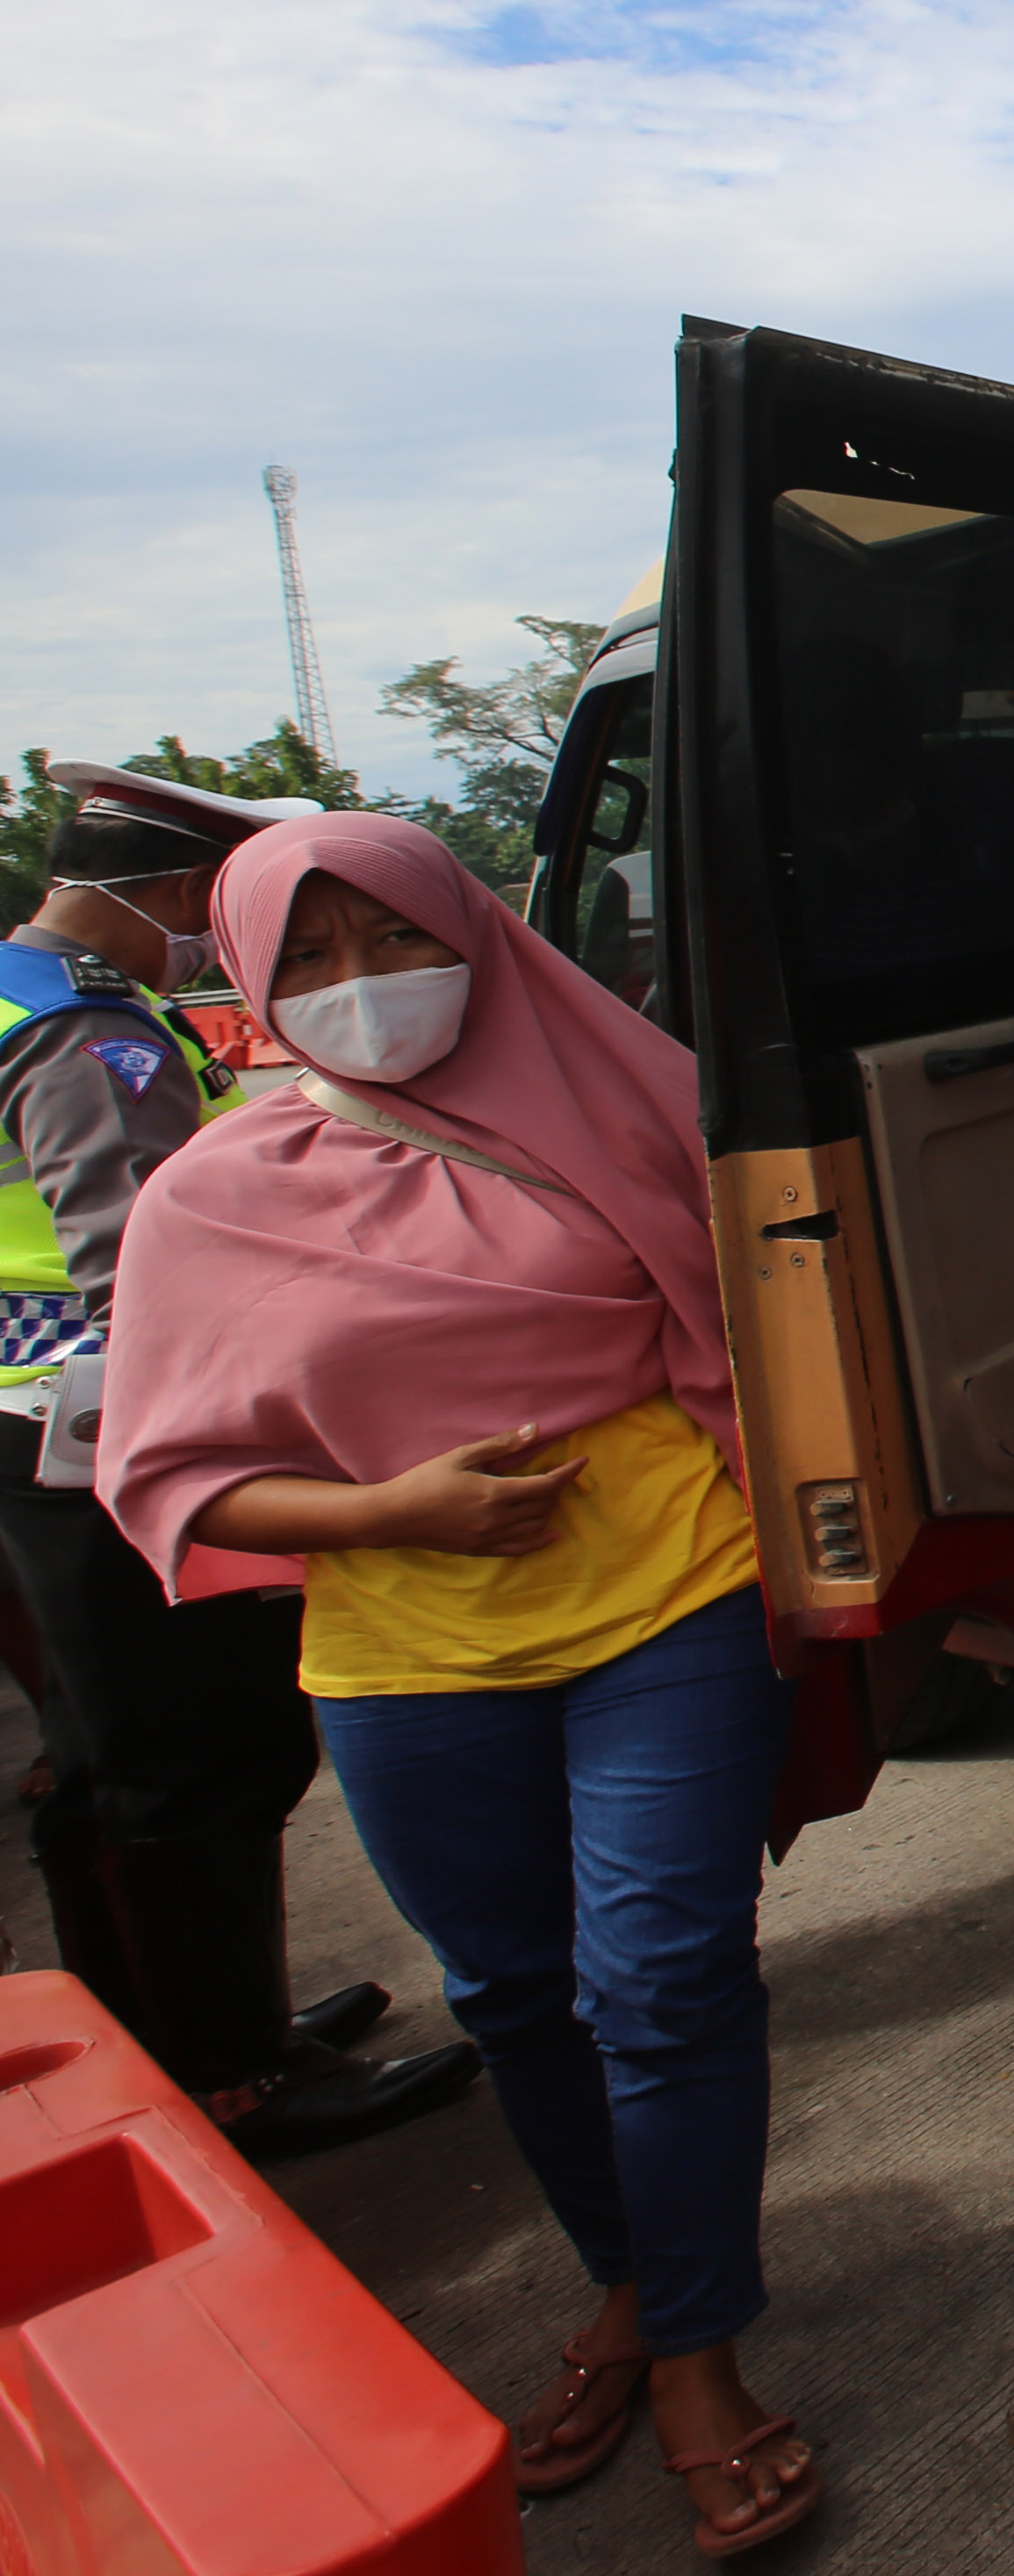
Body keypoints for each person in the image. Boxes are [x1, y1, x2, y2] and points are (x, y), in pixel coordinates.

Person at [95, 814, 823, 2559]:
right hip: (402, 1639)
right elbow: (172, 1471)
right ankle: (631, 2286)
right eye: (316, 959)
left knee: (663, 1977)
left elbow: (773, 1325)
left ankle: (701, 2353)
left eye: (389, 940)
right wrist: (388, 1511)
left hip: (670, 1589)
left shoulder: (632, 1102)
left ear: (472, 932)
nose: (364, 988)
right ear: (252, 981)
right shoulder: (211, 1193)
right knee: (509, 1992)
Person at [0, 764, 474, 2151]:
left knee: (103, 1755)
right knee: (205, 1747)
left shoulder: (13, 988)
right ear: (156, 897)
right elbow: (137, 1255)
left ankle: (149, 2038)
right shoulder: (91, 1031)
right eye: (203, 912)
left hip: (26, 1426)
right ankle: (236, 2073)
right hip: (109, 1435)